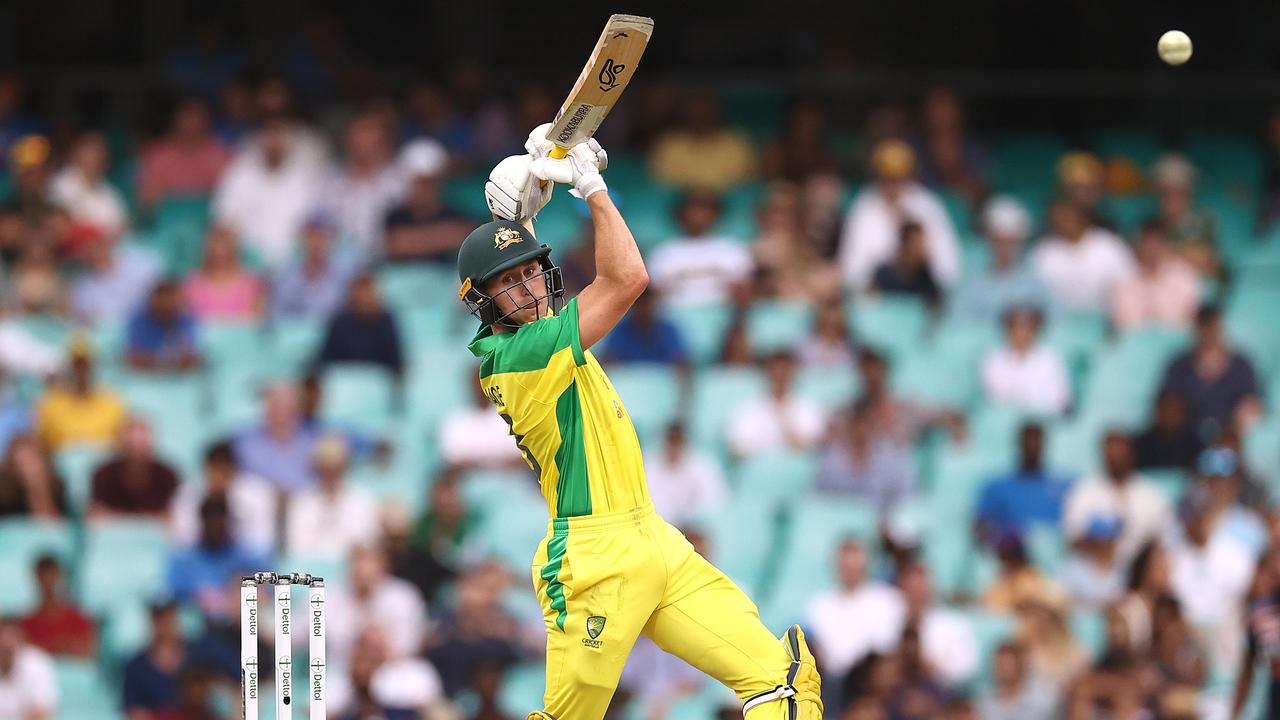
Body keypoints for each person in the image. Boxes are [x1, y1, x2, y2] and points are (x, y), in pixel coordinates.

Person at [457, 131, 822, 720]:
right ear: (484, 303)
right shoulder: (520, 356)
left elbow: (582, 282)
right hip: (592, 553)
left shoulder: (544, 334)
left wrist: (519, 213)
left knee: (782, 682)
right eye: (507, 282)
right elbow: (627, 279)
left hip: (653, 539)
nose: (526, 288)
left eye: (529, 272)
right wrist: (595, 189)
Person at [838, 139, 960, 291]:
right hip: (877, 296)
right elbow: (851, 269)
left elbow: (948, 267)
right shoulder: (864, 206)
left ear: (910, 174)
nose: (893, 183)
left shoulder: (928, 205)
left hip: (921, 294)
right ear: (877, 175)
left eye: (899, 176)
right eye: (887, 175)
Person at [212, 113, 328, 267]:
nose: (274, 143)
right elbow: (223, 223)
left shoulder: (305, 177)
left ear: (289, 141)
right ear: (260, 139)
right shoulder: (239, 173)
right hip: (246, 261)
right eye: (269, 136)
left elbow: (316, 226)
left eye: (279, 136)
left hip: (295, 262)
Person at [1168, 485, 1255, 674]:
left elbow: (1245, 599)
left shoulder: (1235, 553)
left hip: (1225, 634)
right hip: (1188, 636)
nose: (1197, 522)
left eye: (1201, 514)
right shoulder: (1172, 554)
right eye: (1191, 516)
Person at [1158, 303, 1262, 441]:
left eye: (1211, 326)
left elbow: (1251, 407)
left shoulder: (1241, 366)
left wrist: (1233, 429)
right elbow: (1168, 406)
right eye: (1203, 326)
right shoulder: (1179, 365)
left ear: (1219, 327)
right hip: (1187, 439)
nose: (1207, 333)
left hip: (1230, 438)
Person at [1063, 431, 1171, 563]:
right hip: (1094, 571)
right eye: (1110, 451)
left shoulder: (1150, 494)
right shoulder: (1084, 492)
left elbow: (1164, 540)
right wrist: (1100, 537)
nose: (1115, 457)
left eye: (1120, 451)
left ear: (1132, 453)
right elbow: (1071, 541)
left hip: (1137, 572)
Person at [805, 539, 904, 682]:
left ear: (866, 563)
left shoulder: (888, 600)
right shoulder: (818, 605)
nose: (850, 569)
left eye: (854, 563)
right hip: (829, 681)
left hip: (874, 681)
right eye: (845, 564)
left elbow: (889, 648)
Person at [424, 560, 524, 697]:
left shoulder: (507, 631)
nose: (474, 596)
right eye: (472, 587)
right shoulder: (442, 626)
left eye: (488, 590)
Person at [950, 196, 1051, 324]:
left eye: (1011, 241)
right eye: (998, 241)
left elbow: (1051, 321)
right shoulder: (971, 281)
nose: (1005, 247)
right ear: (988, 240)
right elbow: (960, 324)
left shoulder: (1037, 280)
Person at [165, 495, 269, 617]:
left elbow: (269, 588)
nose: (215, 526)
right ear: (202, 521)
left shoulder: (247, 556)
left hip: (243, 625)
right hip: (200, 628)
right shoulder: (184, 560)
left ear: (227, 521)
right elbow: (173, 596)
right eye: (210, 520)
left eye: (219, 520)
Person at [326, 544, 428, 667]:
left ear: (384, 565)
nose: (363, 569)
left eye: (370, 561)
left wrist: (378, 648)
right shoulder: (329, 596)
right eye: (358, 561)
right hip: (342, 669)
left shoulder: (404, 596)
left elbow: (410, 643)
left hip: (394, 667)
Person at [170, 441, 276, 557]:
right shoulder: (188, 495)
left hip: (241, 560)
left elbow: (262, 543)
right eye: (213, 471)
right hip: (201, 559)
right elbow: (182, 540)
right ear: (206, 469)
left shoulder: (257, 494)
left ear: (234, 470)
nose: (218, 478)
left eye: (224, 472)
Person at [648, 192, 753, 306]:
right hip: (674, 314)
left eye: (704, 209)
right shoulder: (663, 252)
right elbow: (655, 292)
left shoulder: (733, 249)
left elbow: (744, 288)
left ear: (716, 214)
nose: (698, 215)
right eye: (693, 209)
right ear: (681, 213)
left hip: (723, 314)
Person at [974, 423, 1072, 545]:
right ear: (1018, 444)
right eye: (1027, 442)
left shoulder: (1064, 487)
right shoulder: (996, 487)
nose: (1031, 447)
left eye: (1036, 442)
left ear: (1044, 445)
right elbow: (979, 527)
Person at [322, 111, 404, 257]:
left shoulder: (398, 181)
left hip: (388, 260)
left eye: (370, 135)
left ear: (383, 142)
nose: (363, 143)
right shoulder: (330, 181)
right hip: (340, 261)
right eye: (358, 135)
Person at [814, 400, 916, 518]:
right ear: (850, 426)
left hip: (879, 526)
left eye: (866, 424)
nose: (861, 430)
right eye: (857, 423)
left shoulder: (892, 459)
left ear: (874, 426)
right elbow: (819, 501)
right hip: (840, 526)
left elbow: (906, 499)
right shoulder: (831, 460)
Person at [1031, 199, 1135, 313]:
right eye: (1057, 218)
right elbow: (1037, 294)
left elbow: (1128, 285)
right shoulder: (1043, 252)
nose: (1062, 222)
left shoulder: (1109, 244)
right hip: (1060, 321)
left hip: (1107, 317)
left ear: (1082, 217)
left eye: (1066, 216)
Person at [284, 434, 379, 558]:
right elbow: (296, 548)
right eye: (325, 467)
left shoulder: (363, 501)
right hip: (311, 570)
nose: (330, 473)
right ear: (317, 468)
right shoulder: (301, 501)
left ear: (345, 466)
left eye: (336, 467)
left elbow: (367, 546)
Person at [383, 138, 473, 263]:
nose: (424, 189)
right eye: (418, 183)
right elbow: (396, 245)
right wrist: (445, 235)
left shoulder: (454, 212)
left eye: (429, 182)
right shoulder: (395, 216)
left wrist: (412, 239)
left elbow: (464, 237)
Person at [648, 90, 756, 192]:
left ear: (718, 112)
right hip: (678, 208)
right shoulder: (668, 145)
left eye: (706, 111)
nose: (701, 116)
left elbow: (746, 186)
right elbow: (660, 187)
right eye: (695, 111)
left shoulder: (738, 144)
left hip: (729, 209)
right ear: (685, 114)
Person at [726, 351, 827, 458]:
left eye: (785, 373)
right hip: (760, 467)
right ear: (767, 374)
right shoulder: (749, 407)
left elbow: (811, 447)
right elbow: (737, 448)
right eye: (775, 372)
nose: (779, 378)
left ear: (793, 374)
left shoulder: (808, 405)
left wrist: (783, 417)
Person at [136, 97, 230, 209]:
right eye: (186, 118)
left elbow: (228, 199)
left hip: (209, 220)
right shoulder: (157, 155)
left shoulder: (219, 156)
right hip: (167, 220)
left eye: (196, 119)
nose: (191, 124)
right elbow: (147, 200)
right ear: (175, 121)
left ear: (207, 123)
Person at [34, 337, 126, 451]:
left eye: (86, 364)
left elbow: (120, 444)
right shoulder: (49, 403)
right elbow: (41, 445)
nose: (81, 370)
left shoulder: (112, 402)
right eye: (76, 364)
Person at [269, 208, 361, 322]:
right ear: (302, 237)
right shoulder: (287, 277)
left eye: (323, 235)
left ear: (334, 238)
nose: (317, 241)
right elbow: (277, 317)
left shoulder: (348, 275)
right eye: (312, 235)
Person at [1110, 220, 1201, 331]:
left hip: (1176, 340)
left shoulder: (1184, 275)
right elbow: (1120, 323)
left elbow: (1192, 318)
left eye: (1156, 242)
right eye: (1147, 243)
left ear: (1165, 245)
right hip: (1137, 341)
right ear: (1138, 246)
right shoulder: (1124, 278)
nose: (1151, 249)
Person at [980, 306, 1071, 415]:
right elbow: (993, 399)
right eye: (1015, 327)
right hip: (1004, 419)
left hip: (1042, 419)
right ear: (1006, 330)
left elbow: (1060, 399)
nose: (1021, 332)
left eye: (1026, 327)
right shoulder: (992, 359)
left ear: (1035, 330)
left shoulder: (1051, 358)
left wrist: (1025, 401)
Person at [87, 416, 180, 521]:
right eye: (131, 445)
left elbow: (172, 515)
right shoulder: (103, 474)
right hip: (114, 534)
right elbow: (97, 513)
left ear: (150, 444)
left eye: (140, 444)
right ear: (120, 444)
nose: (136, 451)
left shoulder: (167, 475)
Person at [313, 272, 404, 378]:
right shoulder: (340, 322)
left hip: (378, 381)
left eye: (368, 295)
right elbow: (325, 358)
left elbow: (396, 360)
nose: (364, 299)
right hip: (345, 380)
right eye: (360, 296)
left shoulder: (386, 322)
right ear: (352, 297)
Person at [232, 382, 320, 491]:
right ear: (266, 408)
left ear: (297, 410)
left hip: (302, 501)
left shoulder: (314, 441)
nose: (281, 412)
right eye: (276, 405)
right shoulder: (243, 442)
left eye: (287, 407)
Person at [69, 229, 164, 326]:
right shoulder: (82, 289)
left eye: (92, 245)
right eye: (82, 249)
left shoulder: (141, 261)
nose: (90, 252)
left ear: (103, 242)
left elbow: (164, 293)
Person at [643, 422, 729, 526]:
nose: (674, 447)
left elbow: (714, 504)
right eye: (671, 440)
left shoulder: (702, 468)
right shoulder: (648, 464)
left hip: (691, 530)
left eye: (678, 441)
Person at [48, 131, 128, 239]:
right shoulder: (59, 183)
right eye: (87, 155)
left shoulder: (112, 195)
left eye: (96, 157)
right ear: (76, 156)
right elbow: (57, 224)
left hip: (100, 249)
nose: (91, 161)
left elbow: (120, 229)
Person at [439, 376, 528, 470]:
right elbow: (453, 459)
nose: (480, 388)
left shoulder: (512, 416)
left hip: (514, 479)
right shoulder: (456, 421)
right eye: (477, 384)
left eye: (483, 383)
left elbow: (522, 455)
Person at [182, 224, 265, 322]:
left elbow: (254, 321)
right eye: (215, 251)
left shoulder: (250, 282)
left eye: (224, 250)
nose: (219, 255)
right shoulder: (193, 282)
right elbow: (186, 319)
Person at [1153, 154, 1219, 276]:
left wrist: (1169, 253)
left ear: (1189, 193)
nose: (1171, 199)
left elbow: (1209, 262)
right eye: (1165, 193)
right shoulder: (1152, 223)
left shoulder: (1204, 221)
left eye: (1178, 192)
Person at [19, 555, 95, 659]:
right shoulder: (26, 623)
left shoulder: (79, 618)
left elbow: (88, 654)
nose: (48, 581)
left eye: (52, 575)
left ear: (61, 577)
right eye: (43, 575)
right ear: (36, 578)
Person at [122, 601, 186, 719]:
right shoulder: (135, 666)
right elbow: (134, 710)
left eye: (169, 618)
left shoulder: (198, 658)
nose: (165, 624)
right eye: (159, 618)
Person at [125, 280, 203, 372]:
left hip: (181, 379)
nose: (166, 307)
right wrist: (167, 363)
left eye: (171, 308)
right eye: (162, 308)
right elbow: (134, 358)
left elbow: (192, 358)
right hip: (145, 379)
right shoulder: (139, 321)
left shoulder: (186, 320)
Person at [600, 289, 688, 367]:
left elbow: (681, 361)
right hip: (629, 381)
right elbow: (608, 359)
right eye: (640, 304)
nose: (644, 309)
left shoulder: (667, 330)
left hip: (660, 381)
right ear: (633, 306)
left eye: (647, 304)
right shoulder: (621, 330)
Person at [1058, 515, 1126, 609]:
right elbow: (1060, 601)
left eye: (1112, 540)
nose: (1110, 545)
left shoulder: (1119, 570)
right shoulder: (1073, 568)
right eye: (1105, 541)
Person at [975, 641, 1056, 720]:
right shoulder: (983, 701)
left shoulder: (1044, 699)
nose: (1002, 669)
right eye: (999, 664)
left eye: (1007, 664)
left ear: (1020, 664)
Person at [869, 221, 941, 306]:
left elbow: (937, 306)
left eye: (922, 243)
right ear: (904, 244)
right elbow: (870, 302)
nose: (921, 248)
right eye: (915, 244)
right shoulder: (883, 274)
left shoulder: (925, 276)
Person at [0, 615, 57, 719]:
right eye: (2, 637)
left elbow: (43, 711)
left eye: (11, 637)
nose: (6, 643)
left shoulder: (37, 662)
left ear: (21, 640)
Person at [0, 434, 68, 519]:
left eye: (32, 461)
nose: (27, 469)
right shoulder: (6, 507)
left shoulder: (63, 494)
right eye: (20, 464)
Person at [1132, 392, 1202, 471]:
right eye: (1166, 409)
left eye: (1175, 411)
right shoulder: (1139, 446)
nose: (1170, 414)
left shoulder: (1197, 447)